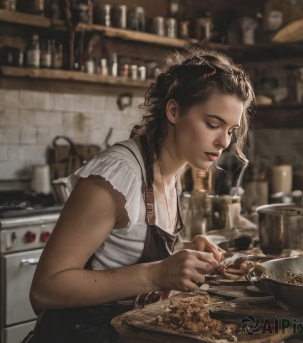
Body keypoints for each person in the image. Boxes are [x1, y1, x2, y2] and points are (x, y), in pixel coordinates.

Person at [24, 48, 255, 343]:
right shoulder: (117, 176)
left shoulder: (171, 170)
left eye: (231, 130)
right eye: (212, 124)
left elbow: (120, 248)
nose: (223, 141)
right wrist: (158, 274)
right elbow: (44, 289)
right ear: (173, 112)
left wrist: (182, 253)